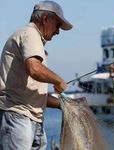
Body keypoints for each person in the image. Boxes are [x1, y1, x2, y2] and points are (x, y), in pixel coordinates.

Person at [0, 1, 72, 149]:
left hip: (33, 121)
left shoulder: (36, 43)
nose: (58, 31)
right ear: (45, 19)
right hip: (18, 118)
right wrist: (58, 81)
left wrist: (62, 104)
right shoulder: (30, 33)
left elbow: (35, 94)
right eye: (57, 25)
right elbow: (34, 69)